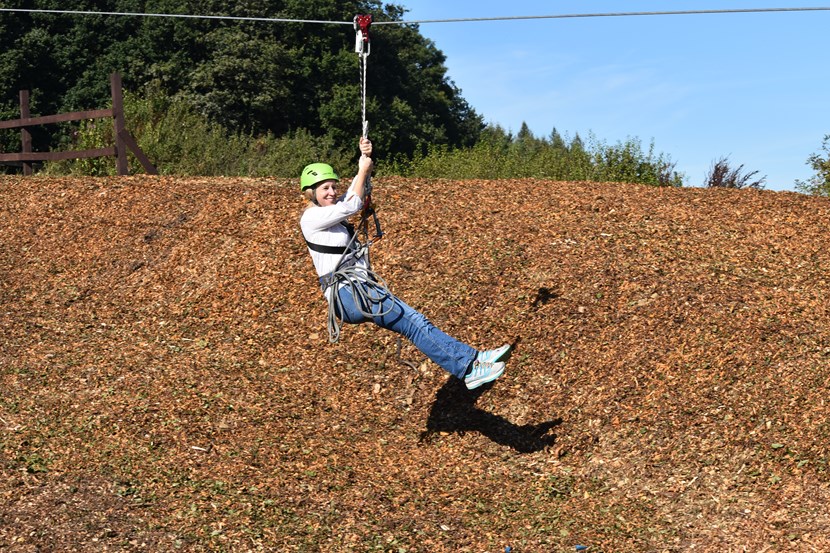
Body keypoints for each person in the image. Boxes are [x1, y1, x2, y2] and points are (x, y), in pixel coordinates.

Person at [299, 137, 512, 390]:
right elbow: (353, 203)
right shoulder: (312, 217)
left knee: (417, 321)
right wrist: (362, 169)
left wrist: (363, 160)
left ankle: (474, 358)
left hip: (356, 291)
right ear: (311, 193)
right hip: (349, 294)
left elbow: (353, 196)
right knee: (414, 324)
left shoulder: (331, 213)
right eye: (325, 189)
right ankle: (468, 369)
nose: (332, 192)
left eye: (334, 187)